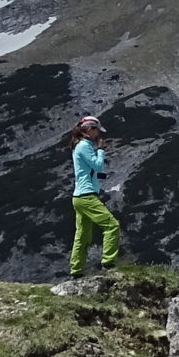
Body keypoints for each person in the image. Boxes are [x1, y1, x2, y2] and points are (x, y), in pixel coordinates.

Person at [65, 114, 121, 277]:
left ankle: (76, 270)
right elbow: (97, 165)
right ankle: (108, 263)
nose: (99, 135)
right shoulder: (84, 146)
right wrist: (101, 151)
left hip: (79, 196)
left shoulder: (78, 145)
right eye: (97, 131)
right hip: (87, 196)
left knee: (82, 235)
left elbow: (87, 171)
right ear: (90, 129)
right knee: (112, 226)